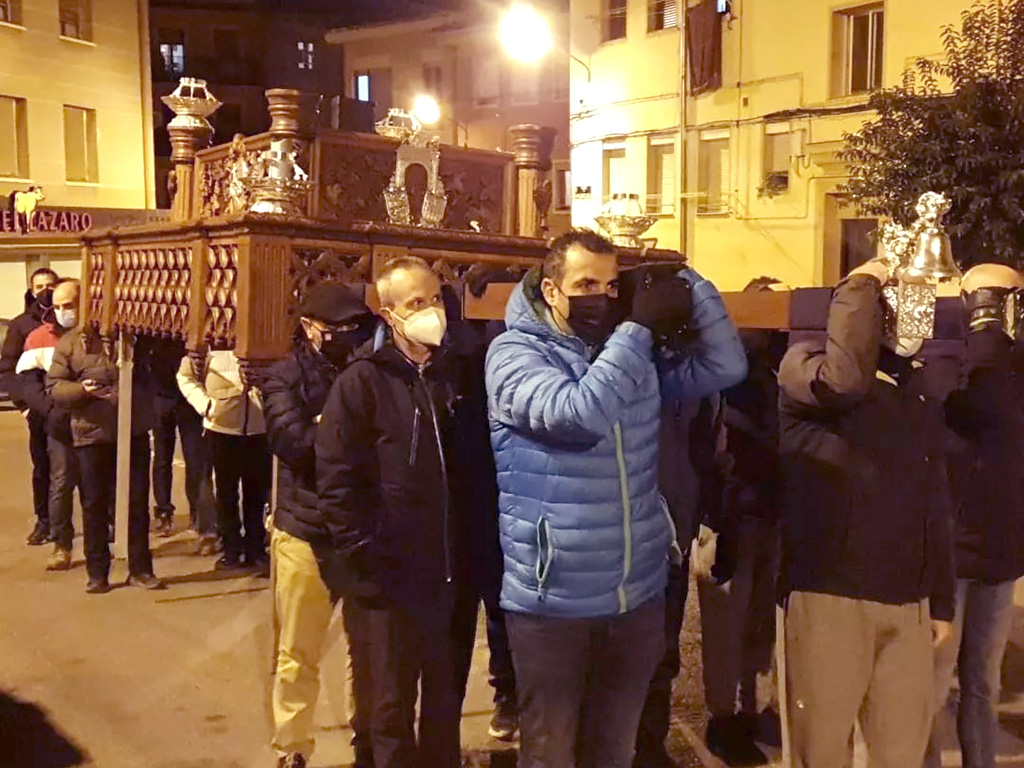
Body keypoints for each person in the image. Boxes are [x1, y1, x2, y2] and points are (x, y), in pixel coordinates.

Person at [484, 229, 747, 768]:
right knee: (552, 752)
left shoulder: (626, 353)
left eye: (610, 285)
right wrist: (636, 328)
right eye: (585, 284)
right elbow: (579, 414)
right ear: (552, 290)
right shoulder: (513, 354)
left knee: (614, 750)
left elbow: (726, 367)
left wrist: (687, 283)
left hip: (634, 594)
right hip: (554, 599)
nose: (600, 297)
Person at [317, 257, 497, 768]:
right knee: (389, 709)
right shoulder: (363, 382)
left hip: (451, 578)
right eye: (417, 303)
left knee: (445, 703)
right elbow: (337, 479)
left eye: (436, 299)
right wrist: (362, 558)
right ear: (389, 312)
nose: (431, 312)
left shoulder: (458, 375)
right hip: (388, 581)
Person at [776, 259, 955, 768]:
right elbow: (846, 379)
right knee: (822, 752)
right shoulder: (804, 366)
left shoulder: (911, 392)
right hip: (831, 595)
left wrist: (939, 599)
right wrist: (864, 280)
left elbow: (932, 498)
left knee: (901, 753)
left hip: (907, 601)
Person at [261, 282, 376, 768]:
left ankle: (367, 742)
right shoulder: (282, 377)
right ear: (310, 328)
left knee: (369, 651)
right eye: (338, 329)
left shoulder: (369, 368)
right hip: (305, 532)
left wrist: (329, 421)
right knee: (297, 652)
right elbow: (296, 444)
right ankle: (292, 747)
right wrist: (347, 428)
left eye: (356, 328)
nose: (348, 336)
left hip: (363, 531)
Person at [925, 263, 1024, 768]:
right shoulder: (952, 357)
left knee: (983, 683)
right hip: (952, 548)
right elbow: (973, 404)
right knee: (936, 683)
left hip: (1001, 549)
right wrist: (985, 331)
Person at [695, 279, 787, 767]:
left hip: (764, 511)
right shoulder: (723, 377)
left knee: (758, 626)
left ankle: (751, 708)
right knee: (726, 628)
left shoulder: (767, 372)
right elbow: (716, 450)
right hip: (730, 516)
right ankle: (722, 719)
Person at [47, 313, 163, 593]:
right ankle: (97, 573)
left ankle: (141, 569)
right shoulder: (72, 342)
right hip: (92, 434)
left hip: (132, 431)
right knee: (94, 504)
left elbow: (160, 372)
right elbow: (54, 386)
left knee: (136, 502)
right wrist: (81, 390)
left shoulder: (137, 335)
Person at [177, 348, 270, 572]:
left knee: (256, 493)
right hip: (221, 428)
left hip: (258, 428)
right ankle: (231, 549)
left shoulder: (264, 343)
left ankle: (255, 548)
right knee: (226, 493)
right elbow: (185, 375)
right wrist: (207, 406)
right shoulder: (209, 345)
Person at [16, 279, 83, 571]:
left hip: (96, 423)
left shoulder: (100, 335)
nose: (62, 312)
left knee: (99, 486)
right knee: (61, 483)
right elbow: (27, 381)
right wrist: (46, 409)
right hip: (59, 424)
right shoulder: (38, 337)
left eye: (68, 306)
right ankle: (61, 545)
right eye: (57, 307)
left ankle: (106, 536)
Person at [2, 267, 58, 545]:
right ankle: (45, 522)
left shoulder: (69, 319)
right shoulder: (21, 324)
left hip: (70, 404)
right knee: (43, 468)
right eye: (39, 286)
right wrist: (24, 405)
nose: (45, 290)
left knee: (84, 468)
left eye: (50, 284)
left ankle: (102, 522)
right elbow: (8, 369)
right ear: (31, 289)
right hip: (38, 409)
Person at [145, 337, 217, 551]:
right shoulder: (154, 326)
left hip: (188, 400)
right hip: (161, 395)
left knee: (196, 460)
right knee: (162, 458)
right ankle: (164, 511)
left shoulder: (190, 327)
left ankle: (199, 516)